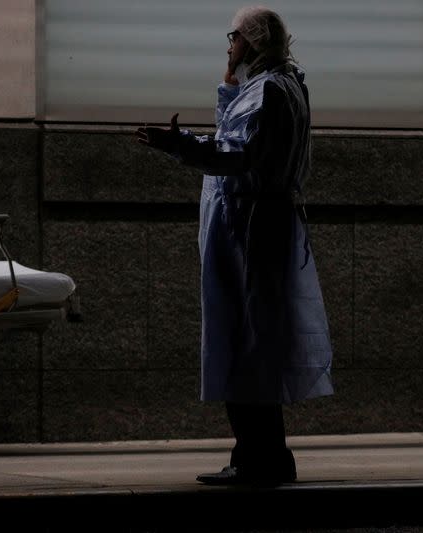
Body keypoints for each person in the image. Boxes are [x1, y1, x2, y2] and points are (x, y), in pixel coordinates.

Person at [136, 5, 333, 486]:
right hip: (252, 225)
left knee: (243, 339)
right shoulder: (278, 85)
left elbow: (235, 155)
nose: (228, 44)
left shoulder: (269, 90)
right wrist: (228, 81)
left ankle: (258, 457)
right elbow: (236, 138)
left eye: (235, 37)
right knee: (252, 339)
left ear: (255, 39)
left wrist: (179, 146)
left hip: (248, 229)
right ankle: (261, 452)